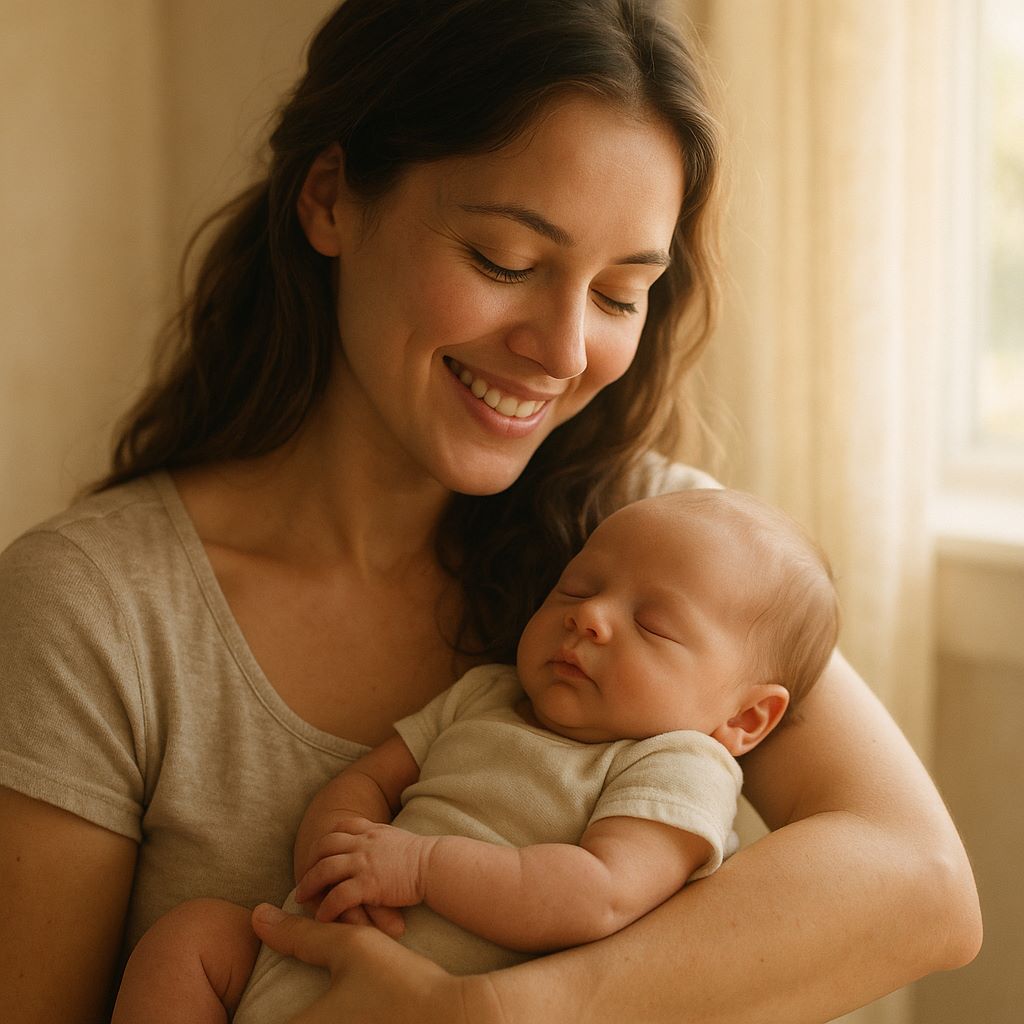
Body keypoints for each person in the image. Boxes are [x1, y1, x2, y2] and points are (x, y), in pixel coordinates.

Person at [0, 2, 980, 1023]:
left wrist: (499, 1012)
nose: (562, 351)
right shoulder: (99, 611)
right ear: (331, 198)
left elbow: (922, 887)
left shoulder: (662, 549)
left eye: (617, 293)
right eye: (505, 262)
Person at [110, 487, 840, 1022]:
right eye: (577, 587)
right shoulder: (486, 694)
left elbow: (597, 893)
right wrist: (335, 852)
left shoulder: (678, 762)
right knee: (194, 939)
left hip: (439, 996)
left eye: (652, 625)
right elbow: (371, 777)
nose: (589, 616)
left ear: (746, 717)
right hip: (313, 951)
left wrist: (422, 866)